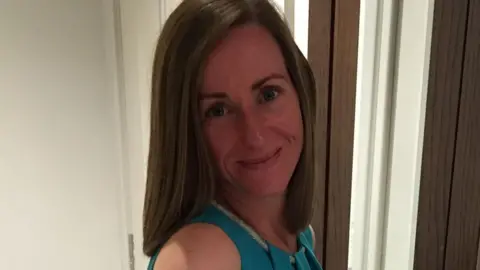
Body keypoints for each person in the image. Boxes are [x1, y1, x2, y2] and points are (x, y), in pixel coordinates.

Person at [143, 0, 322, 269]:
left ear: (300, 91)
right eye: (218, 110)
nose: (254, 135)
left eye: (268, 94)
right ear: (187, 132)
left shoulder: (298, 236)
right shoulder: (202, 259)